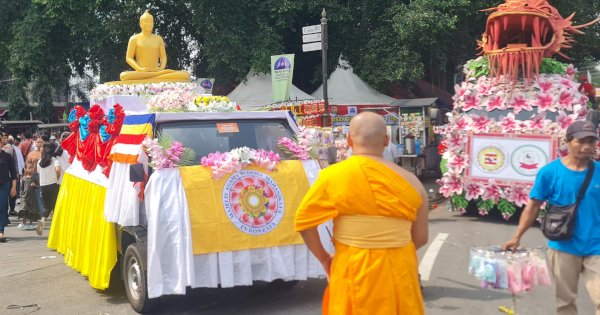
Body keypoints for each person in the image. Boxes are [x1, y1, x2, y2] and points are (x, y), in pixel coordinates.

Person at [295, 112, 429, 314]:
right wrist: (389, 246)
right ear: (386, 140)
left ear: (349, 140)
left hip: (352, 267)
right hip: (400, 270)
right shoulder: (413, 183)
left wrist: (324, 258)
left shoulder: (332, 176)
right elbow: (420, 238)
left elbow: (304, 223)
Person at [502, 120, 600, 315]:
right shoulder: (550, 172)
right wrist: (517, 237)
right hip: (563, 246)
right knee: (565, 303)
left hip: (596, 246)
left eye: (591, 141)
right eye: (581, 141)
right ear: (568, 141)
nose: (587, 146)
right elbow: (533, 206)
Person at [118, 10, 190, 82]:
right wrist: (139, 69)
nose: (149, 24)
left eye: (151, 22)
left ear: (153, 24)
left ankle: (152, 76)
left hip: (157, 71)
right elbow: (129, 58)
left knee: (185, 74)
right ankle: (155, 76)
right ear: (140, 24)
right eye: (146, 22)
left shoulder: (158, 39)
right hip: (141, 72)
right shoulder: (134, 39)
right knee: (123, 75)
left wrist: (161, 68)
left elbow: (163, 57)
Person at [36, 142, 61, 236]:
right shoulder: (54, 160)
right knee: (54, 206)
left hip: (43, 186)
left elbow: (39, 172)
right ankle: (55, 227)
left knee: (47, 206)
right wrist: (57, 177)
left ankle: (44, 220)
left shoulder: (39, 161)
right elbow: (58, 170)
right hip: (53, 185)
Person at [0, 141, 18, 242]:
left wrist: (14, 187)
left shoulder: (7, 156)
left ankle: (1, 231)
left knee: (2, 207)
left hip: (4, 185)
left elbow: (13, 173)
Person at [26, 136, 46, 220]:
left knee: (41, 196)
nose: (39, 144)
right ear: (35, 142)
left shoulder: (46, 152)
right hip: (33, 175)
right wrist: (28, 176)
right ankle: (38, 215)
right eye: (38, 142)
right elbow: (27, 164)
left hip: (43, 176)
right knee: (34, 196)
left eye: (41, 142)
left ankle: (43, 214)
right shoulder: (31, 153)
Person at [17, 162, 39, 231]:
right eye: (29, 168)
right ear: (25, 169)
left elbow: (38, 186)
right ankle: (23, 223)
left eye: (32, 168)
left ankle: (31, 223)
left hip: (32, 197)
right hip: (24, 197)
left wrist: (34, 185)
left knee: (31, 210)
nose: (31, 169)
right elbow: (21, 188)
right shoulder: (23, 178)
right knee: (24, 209)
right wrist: (21, 196)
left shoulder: (34, 178)